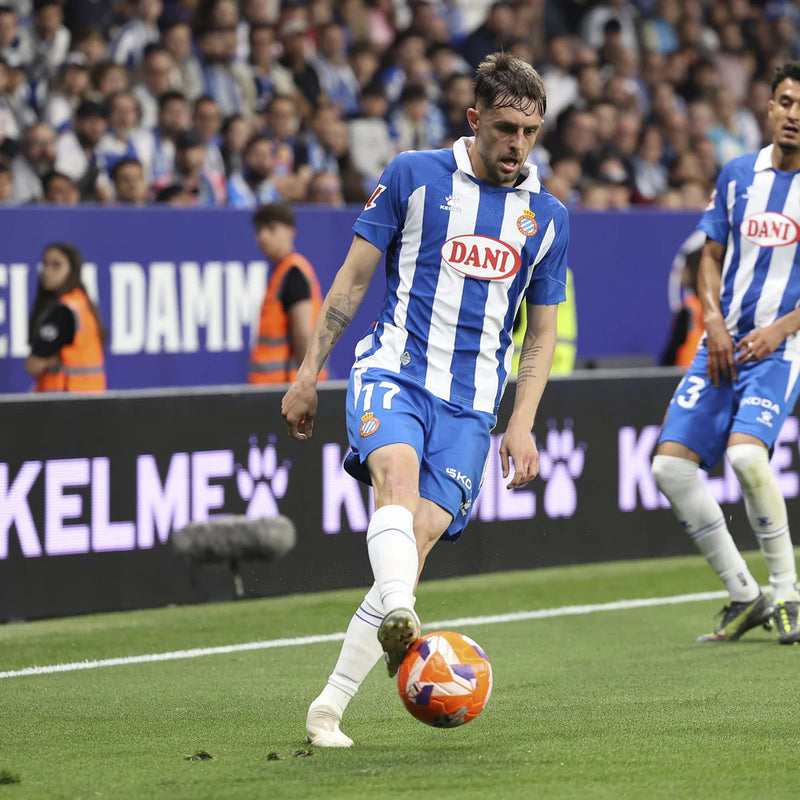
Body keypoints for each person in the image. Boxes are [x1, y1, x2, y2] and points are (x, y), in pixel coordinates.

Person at [281, 52, 567, 747]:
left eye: (531, 131)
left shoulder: (549, 218)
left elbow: (541, 335)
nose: (517, 145)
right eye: (505, 128)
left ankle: (327, 708)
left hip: (471, 407)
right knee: (396, 489)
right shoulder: (413, 175)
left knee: (416, 539)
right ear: (474, 119)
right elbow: (350, 281)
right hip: (395, 373)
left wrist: (521, 424)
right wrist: (308, 370)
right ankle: (405, 617)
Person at [651, 61, 800, 645]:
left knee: (745, 458)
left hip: (781, 349)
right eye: (786, 101)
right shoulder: (739, 174)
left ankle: (789, 590)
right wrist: (711, 319)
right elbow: (709, 254)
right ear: (767, 108)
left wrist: (781, 329)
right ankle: (745, 594)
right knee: (668, 467)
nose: (795, 113)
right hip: (724, 343)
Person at [248, 202, 327, 384]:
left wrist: (306, 385)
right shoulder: (283, 272)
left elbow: (303, 334)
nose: (263, 236)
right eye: (259, 230)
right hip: (280, 388)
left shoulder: (293, 273)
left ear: (290, 231)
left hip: (288, 388)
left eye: (271, 228)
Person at [25, 242, 106, 392]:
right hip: (91, 398)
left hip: (64, 399)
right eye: (45, 264)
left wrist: (48, 361)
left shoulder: (62, 311)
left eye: (56, 265)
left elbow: (33, 365)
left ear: (72, 271)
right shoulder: (82, 303)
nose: (47, 271)